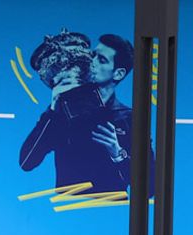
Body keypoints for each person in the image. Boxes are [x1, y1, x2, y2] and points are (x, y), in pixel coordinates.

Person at [19, 34, 145, 194]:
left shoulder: (130, 118)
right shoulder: (60, 110)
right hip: (66, 212)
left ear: (118, 74)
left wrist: (118, 153)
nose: (92, 62)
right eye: (93, 55)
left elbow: (149, 187)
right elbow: (27, 162)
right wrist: (53, 109)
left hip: (111, 212)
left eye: (102, 60)